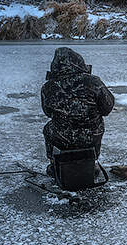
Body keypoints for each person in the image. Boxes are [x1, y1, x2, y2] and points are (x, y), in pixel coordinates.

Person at [40, 47, 115, 178]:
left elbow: (47, 112)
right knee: (98, 124)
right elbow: (107, 108)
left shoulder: (48, 87)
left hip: (61, 136)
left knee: (48, 128)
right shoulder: (93, 82)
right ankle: (91, 162)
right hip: (90, 136)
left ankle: (55, 164)